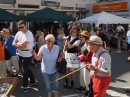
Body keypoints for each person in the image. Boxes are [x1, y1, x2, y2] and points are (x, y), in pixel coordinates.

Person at [12, 20, 36, 92]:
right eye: (19, 27)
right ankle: (33, 80)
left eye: (22, 27)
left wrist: (18, 45)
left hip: (27, 55)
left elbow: (23, 45)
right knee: (26, 68)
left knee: (24, 70)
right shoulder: (18, 33)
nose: (21, 29)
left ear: (26, 26)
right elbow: (13, 43)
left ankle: (25, 85)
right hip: (20, 53)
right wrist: (19, 45)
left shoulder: (29, 34)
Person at [75, 31, 93, 97]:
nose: (81, 38)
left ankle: (88, 91)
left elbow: (89, 56)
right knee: (81, 76)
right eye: (81, 37)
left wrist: (81, 58)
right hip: (82, 62)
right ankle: (82, 87)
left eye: (82, 37)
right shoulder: (83, 44)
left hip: (87, 63)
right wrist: (79, 55)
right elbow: (80, 51)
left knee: (86, 78)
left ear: (86, 37)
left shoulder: (89, 45)